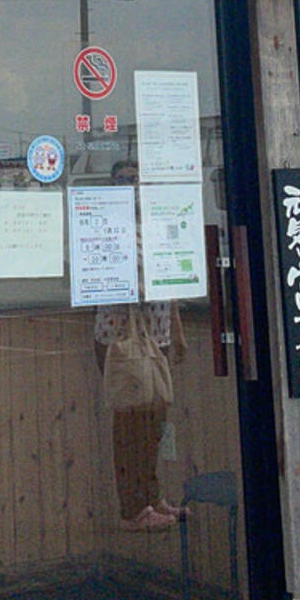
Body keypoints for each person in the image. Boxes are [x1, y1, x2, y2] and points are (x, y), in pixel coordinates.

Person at [94, 159, 187, 532]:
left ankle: (152, 494)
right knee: (130, 421)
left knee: (155, 420)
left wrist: (177, 330)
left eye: (136, 180)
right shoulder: (106, 225)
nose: (130, 186)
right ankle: (132, 506)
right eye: (123, 180)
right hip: (121, 337)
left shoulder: (156, 222)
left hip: (158, 332)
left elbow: (172, 279)